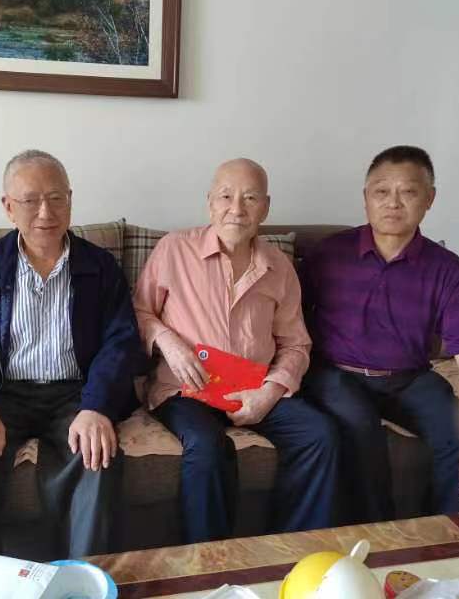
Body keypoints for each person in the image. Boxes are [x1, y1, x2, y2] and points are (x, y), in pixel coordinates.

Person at [0, 149, 144, 558]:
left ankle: (82, 580)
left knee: (98, 461)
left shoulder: (99, 267)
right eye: (30, 200)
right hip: (2, 394)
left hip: (76, 395)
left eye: (57, 198)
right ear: (9, 207)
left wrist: (97, 406)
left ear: (70, 200)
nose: (46, 212)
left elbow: (120, 342)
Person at [133, 158, 339, 543]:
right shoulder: (174, 249)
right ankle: (211, 560)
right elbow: (139, 311)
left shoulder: (279, 266)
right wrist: (167, 340)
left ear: (266, 207)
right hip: (187, 390)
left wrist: (269, 392)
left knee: (319, 434)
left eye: (250, 198)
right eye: (226, 196)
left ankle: (291, 548)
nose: (237, 209)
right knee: (207, 446)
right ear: (210, 202)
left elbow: (296, 343)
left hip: (254, 388)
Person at [301, 145, 459, 524]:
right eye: (381, 191)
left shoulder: (447, 270)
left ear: (429, 199)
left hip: (410, 378)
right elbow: (289, 321)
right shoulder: (330, 254)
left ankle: (453, 538)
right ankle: (381, 536)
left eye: (408, 192)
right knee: (360, 429)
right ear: (366, 198)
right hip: (336, 374)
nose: (393, 202)